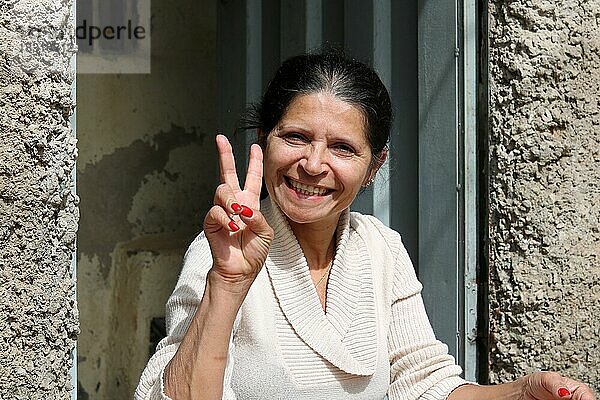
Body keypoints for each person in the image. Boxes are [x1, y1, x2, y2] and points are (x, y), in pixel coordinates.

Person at [135, 50, 596, 400]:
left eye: (342, 148)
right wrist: (228, 285)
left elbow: (426, 385)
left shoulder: (379, 247)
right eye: (295, 137)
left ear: (374, 167)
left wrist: (522, 392)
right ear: (264, 140)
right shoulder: (223, 253)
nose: (313, 164)